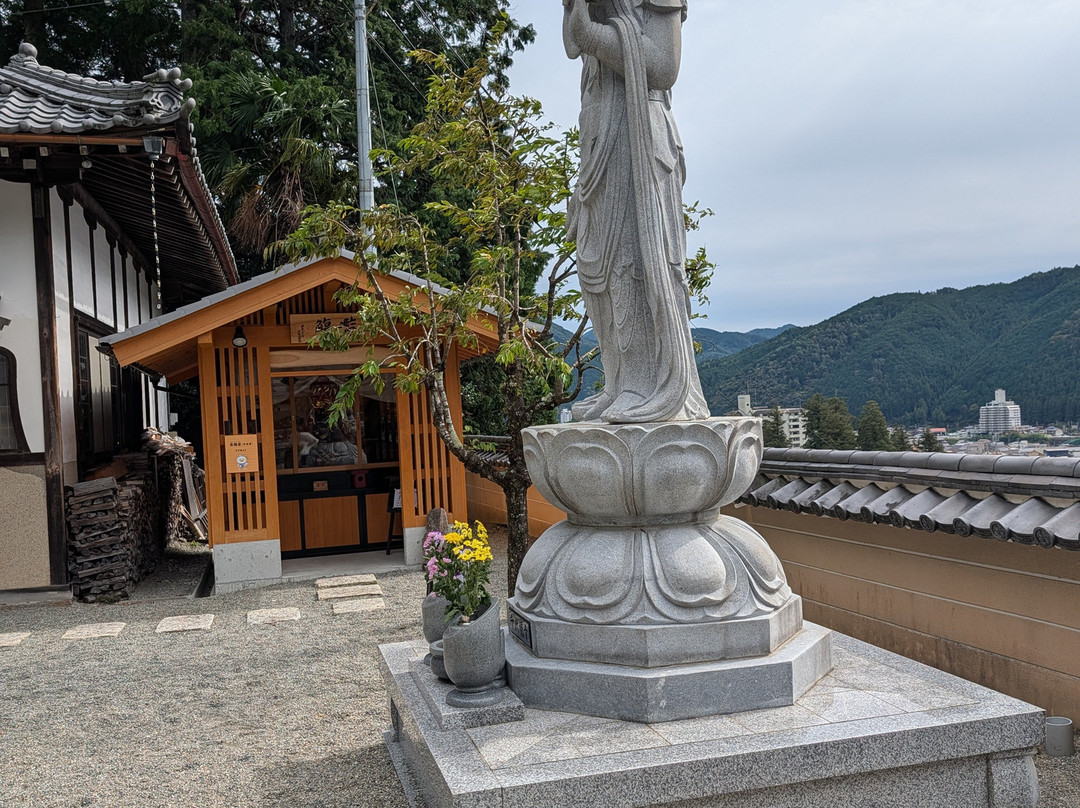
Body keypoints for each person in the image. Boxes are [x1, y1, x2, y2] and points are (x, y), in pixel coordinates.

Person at [564, 0, 710, 423]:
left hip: (639, 132)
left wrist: (593, 33)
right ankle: (620, 381)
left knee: (636, 258)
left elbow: (664, 65)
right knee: (597, 266)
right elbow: (573, 45)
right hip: (597, 134)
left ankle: (650, 384)